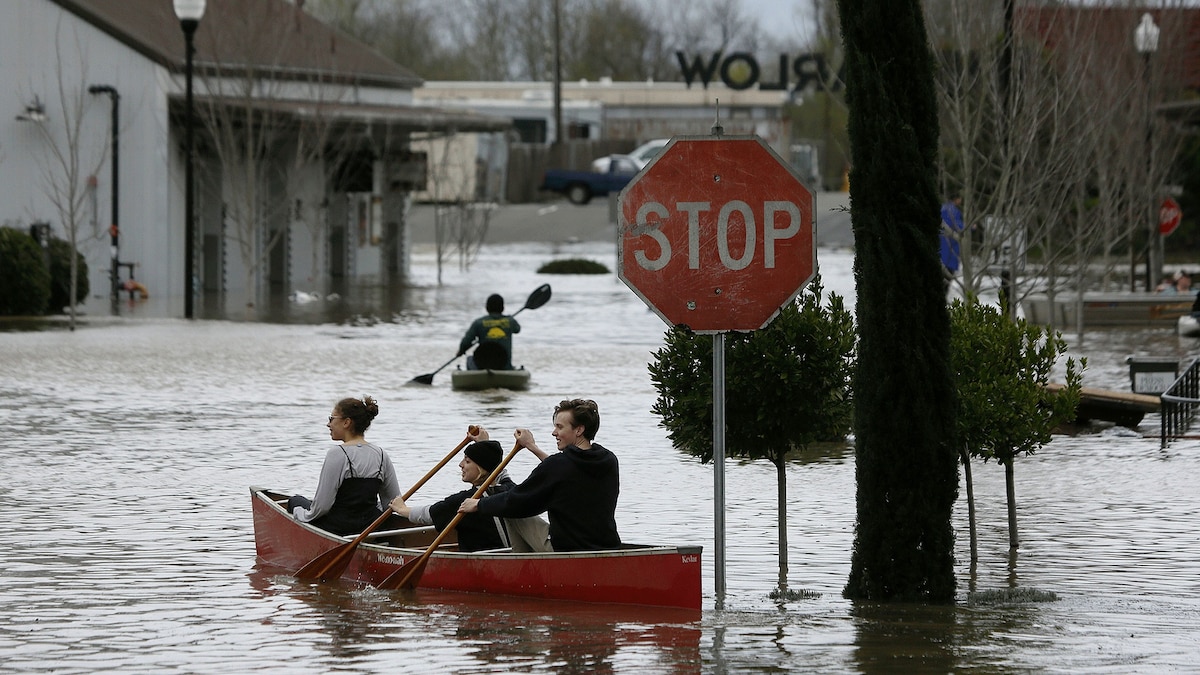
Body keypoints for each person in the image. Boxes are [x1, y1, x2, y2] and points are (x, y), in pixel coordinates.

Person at [458, 398, 621, 553]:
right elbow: (565, 470)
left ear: (579, 429)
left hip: (565, 549)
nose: (554, 432)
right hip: (606, 545)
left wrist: (480, 504)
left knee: (508, 509)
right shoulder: (608, 460)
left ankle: (520, 567)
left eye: (559, 427)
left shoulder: (559, 465)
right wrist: (531, 446)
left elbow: (518, 501)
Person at [287, 395, 402, 536]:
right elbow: (392, 503)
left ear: (347, 422)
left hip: (338, 528)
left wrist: (301, 514)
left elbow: (321, 507)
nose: (328, 424)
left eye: (331, 419)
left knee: (295, 501)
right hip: (371, 528)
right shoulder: (381, 454)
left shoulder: (337, 453)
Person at [387, 439, 514, 552]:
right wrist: (483, 442)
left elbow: (429, 514)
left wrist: (402, 509)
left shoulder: (465, 501)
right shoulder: (510, 490)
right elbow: (500, 471)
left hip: (480, 565)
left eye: (467, 461)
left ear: (481, 468)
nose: (461, 464)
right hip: (510, 557)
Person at [459, 294, 520, 370]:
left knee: (469, 359)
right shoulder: (510, 321)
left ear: (487, 308)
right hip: (504, 366)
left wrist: (461, 351)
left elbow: (466, 341)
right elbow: (517, 329)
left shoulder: (479, 323)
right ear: (503, 308)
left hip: (482, 366)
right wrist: (509, 319)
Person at [939, 193, 965, 295]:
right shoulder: (954, 211)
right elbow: (959, 227)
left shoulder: (941, 209)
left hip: (940, 252)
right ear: (957, 199)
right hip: (950, 254)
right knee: (946, 283)